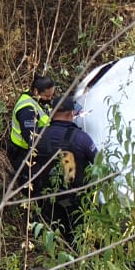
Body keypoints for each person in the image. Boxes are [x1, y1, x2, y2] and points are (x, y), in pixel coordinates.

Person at [30, 96, 98, 242]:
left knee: (51, 237)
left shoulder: (38, 135)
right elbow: (99, 163)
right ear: (71, 114)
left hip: (47, 197)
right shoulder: (82, 138)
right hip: (76, 199)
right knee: (77, 238)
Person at [6, 75, 56, 186]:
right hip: (23, 154)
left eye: (52, 95)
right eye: (47, 96)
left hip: (33, 150)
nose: (50, 99)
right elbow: (32, 140)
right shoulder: (27, 110)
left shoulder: (37, 99)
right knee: (38, 183)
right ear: (36, 91)